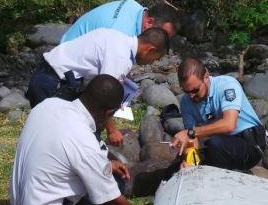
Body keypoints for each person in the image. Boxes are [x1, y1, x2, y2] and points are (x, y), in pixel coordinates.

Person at [10, 75, 164, 205]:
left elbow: (57, 154)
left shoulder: (48, 105)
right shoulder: (82, 139)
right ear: (109, 112)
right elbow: (115, 203)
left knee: (114, 180)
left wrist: (107, 165)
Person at [26, 27, 169, 146]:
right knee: (53, 139)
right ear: (150, 50)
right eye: (155, 59)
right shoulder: (121, 57)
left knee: (47, 135)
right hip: (54, 83)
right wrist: (112, 130)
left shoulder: (116, 36)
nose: (151, 63)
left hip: (46, 74)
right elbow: (103, 98)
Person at [171, 56, 268, 171]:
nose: (191, 95)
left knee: (215, 143)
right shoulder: (186, 101)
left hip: (250, 146)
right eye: (186, 91)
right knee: (177, 166)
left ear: (206, 76)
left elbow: (229, 125)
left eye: (195, 90)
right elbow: (192, 139)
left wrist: (191, 132)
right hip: (223, 144)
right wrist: (188, 160)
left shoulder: (227, 85)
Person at [61, 0, 178, 43]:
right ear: (149, 22)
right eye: (164, 36)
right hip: (67, 65)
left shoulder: (134, 5)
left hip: (70, 39)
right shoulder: (121, 34)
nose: (164, 43)